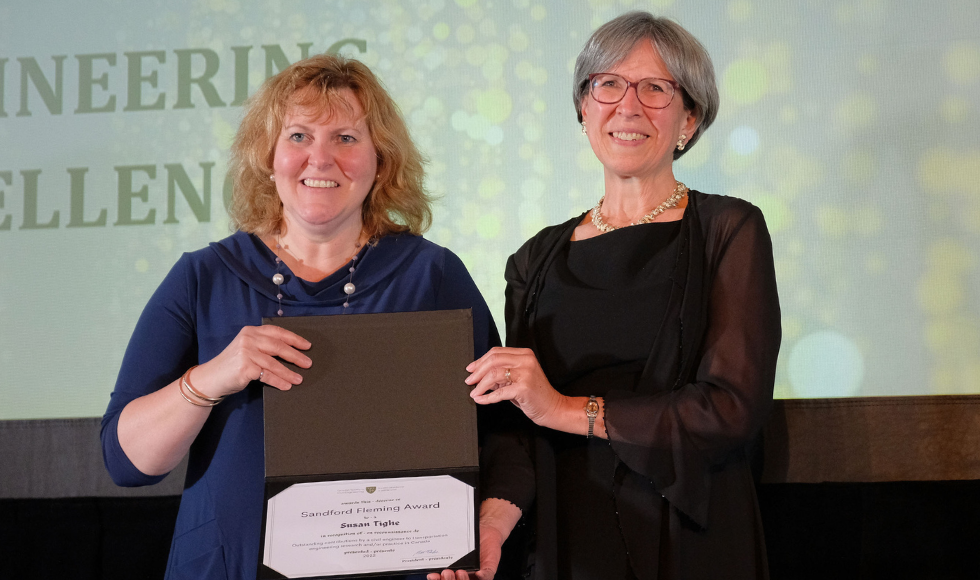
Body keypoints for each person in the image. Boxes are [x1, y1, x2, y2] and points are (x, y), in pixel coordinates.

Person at [101, 53, 498, 580]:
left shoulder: (433, 275)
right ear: (267, 155)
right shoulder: (203, 278)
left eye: (346, 138)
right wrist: (214, 376)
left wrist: (476, 537)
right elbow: (127, 464)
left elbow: (499, 436)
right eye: (298, 137)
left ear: (381, 160)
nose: (321, 158)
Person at [433, 11, 780, 580]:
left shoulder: (728, 229)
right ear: (584, 108)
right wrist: (489, 530)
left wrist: (566, 409)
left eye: (656, 88)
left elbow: (730, 409)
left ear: (689, 117)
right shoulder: (535, 257)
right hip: (563, 538)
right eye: (609, 84)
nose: (628, 105)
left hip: (689, 535)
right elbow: (519, 426)